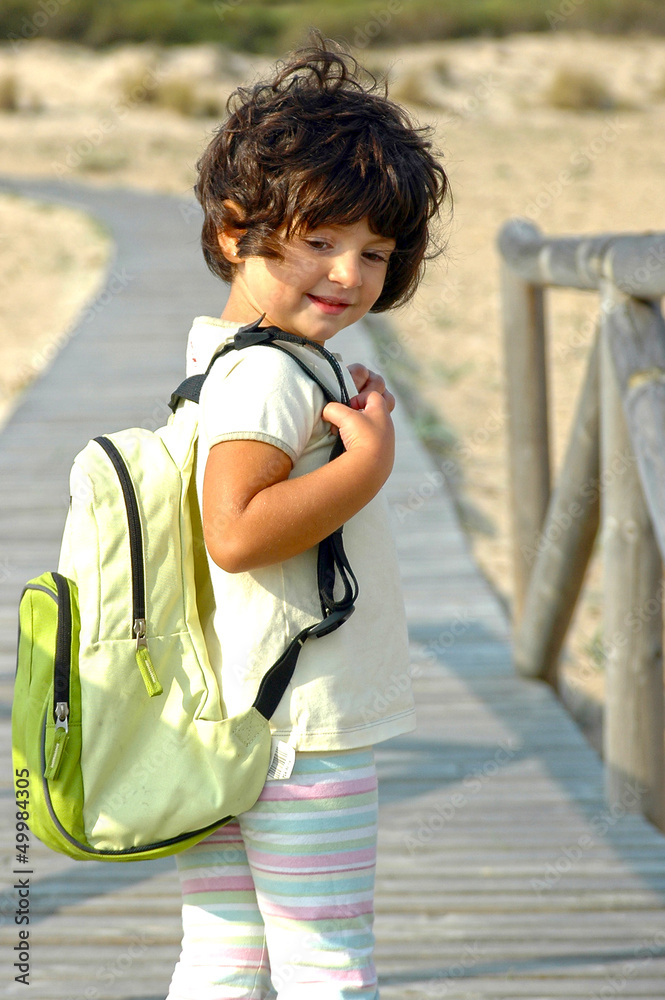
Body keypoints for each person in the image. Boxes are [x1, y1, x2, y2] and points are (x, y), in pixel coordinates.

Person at [166, 32, 449, 1000]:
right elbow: (237, 531)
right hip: (297, 729)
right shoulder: (266, 374)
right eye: (320, 240)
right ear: (234, 231)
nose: (348, 273)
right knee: (328, 966)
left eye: (373, 251)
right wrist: (368, 461)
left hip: (224, 713)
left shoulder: (229, 355)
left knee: (225, 959)